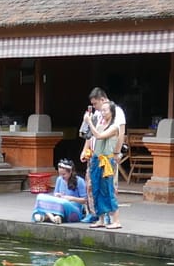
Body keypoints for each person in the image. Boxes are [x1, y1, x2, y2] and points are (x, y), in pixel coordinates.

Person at [81, 88, 125, 229]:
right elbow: (90, 135)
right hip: (96, 158)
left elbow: (99, 136)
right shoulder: (100, 123)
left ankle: (116, 220)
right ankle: (100, 218)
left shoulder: (114, 127)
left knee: (109, 189)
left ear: (111, 111)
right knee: (96, 189)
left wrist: (90, 122)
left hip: (107, 160)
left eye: (105, 110)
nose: (102, 112)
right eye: (102, 110)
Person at [31, 158, 88, 223]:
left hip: (73, 208)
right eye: (60, 174)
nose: (61, 176)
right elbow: (55, 194)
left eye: (64, 174)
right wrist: (57, 195)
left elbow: (85, 200)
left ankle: (48, 217)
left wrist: (71, 198)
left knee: (64, 203)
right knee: (40, 196)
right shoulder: (59, 179)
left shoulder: (80, 181)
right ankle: (54, 217)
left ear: (70, 172)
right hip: (59, 204)